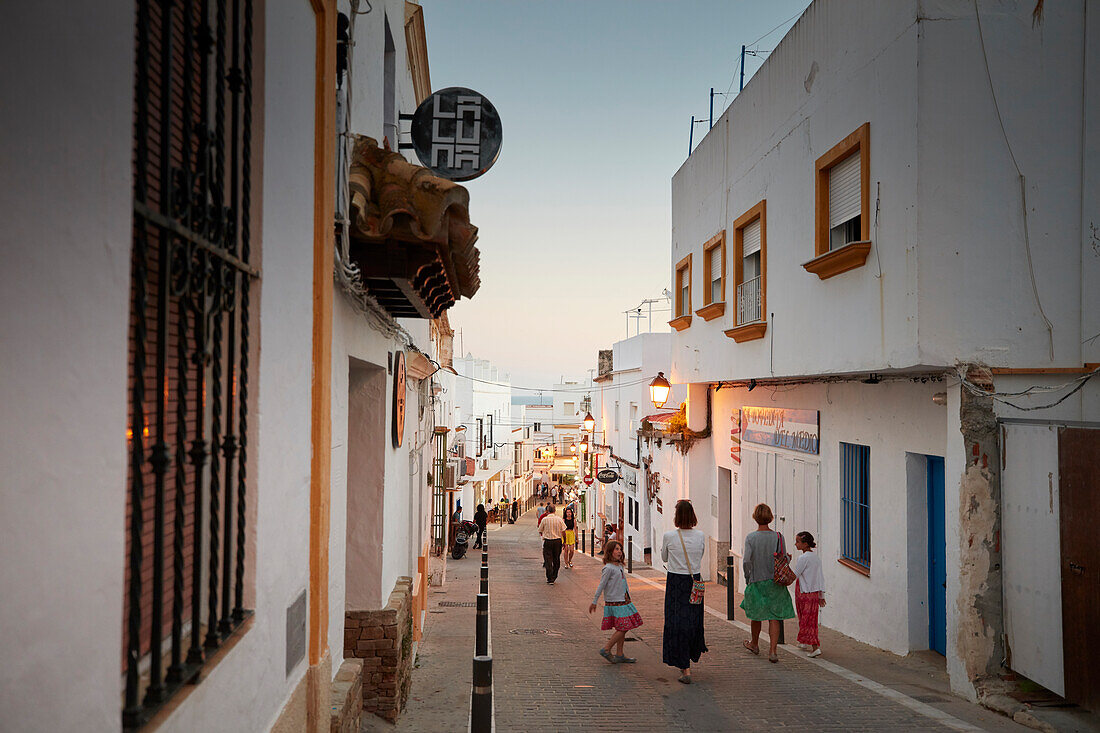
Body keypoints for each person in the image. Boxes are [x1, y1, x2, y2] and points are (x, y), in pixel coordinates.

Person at [740, 503, 796, 663]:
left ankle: (755, 644)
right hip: (775, 582)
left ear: (755, 517)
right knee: (774, 617)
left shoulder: (751, 538)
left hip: (757, 580)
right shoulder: (778, 536)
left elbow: (746, 561)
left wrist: (747, 576)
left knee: (756, 616)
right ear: (770, 517)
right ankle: (772, 651)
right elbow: (783, 558)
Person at [660, 499, 708, 684]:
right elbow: (700, 555)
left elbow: (664, 556)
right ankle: (689, 658)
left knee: (675, 622)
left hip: (675, 583)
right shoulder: (701, 536)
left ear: (677, 516)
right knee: (693, 620)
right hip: (694, 581)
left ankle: (684, 666)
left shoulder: (670, 536)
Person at [589, 539, 642, 664]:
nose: (619, 552)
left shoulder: (620, 566)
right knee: (624, 627)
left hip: (624, 600)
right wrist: (594, 601)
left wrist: (628, 595)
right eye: (616, 549)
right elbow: (601, 585)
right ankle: (607, 648)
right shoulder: (608, 568)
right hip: (615, 601)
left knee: (622, 627)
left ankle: (619, 653)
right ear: (610, 551)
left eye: (620, 549)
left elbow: (623, 583)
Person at [793, 531, 825, 657]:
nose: (795, 544)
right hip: (814, 592)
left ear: (805, 544)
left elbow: (795, 574)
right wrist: (821, 595)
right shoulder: (816, 558)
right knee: (810, 618)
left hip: (803, 591)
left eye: (797, 542)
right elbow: (820, 577)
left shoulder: (803, 558)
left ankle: (815, 647)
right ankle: (803, 641)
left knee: (806, 619)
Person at [538, 504, 566, 584]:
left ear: (548, 511)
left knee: (548, 559)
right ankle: (554, 575)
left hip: (548, 541)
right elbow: (564, 531)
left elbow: (540, 530)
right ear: (555, 510)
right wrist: (565, 541)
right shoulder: (559, 519)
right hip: (557, 541)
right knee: (556, 558)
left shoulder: (545, 520)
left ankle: (550, 577)